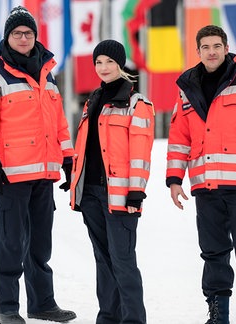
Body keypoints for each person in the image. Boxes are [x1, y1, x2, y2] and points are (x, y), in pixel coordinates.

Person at [166, 25, 236, 324]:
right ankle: (219, 315)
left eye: (217, 46)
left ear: (226, 48)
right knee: (213, 254)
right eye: (206, 47)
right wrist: (175, 179)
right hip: (205, 188)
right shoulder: (187, 88)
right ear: (198, 51)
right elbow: (179, 138)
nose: (212, 52)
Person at [0, 6, 76, 324]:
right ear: (7, 37)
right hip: (9, 176)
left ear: (35, 37)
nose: (23, 38)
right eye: (17, 33)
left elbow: (59, 122)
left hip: (43, 173)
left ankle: (42, 303)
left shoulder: (47, 73)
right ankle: (8, 307)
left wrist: (68, 158)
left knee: (41, 244)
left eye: (28, 33)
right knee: (11, 242)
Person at [69, 40, 155, 324]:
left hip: (119, 196)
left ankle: (133, 320)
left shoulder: (137, 104)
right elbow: (87, 146)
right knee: (103, 262)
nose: (103, 68)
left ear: (120, 64)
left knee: (123, 261)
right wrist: (75, 177)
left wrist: (136, 192)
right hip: (91, 193)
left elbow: (141, 154)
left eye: (108, 61)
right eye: (98, 62)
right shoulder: (92, 100)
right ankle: (108, 318)